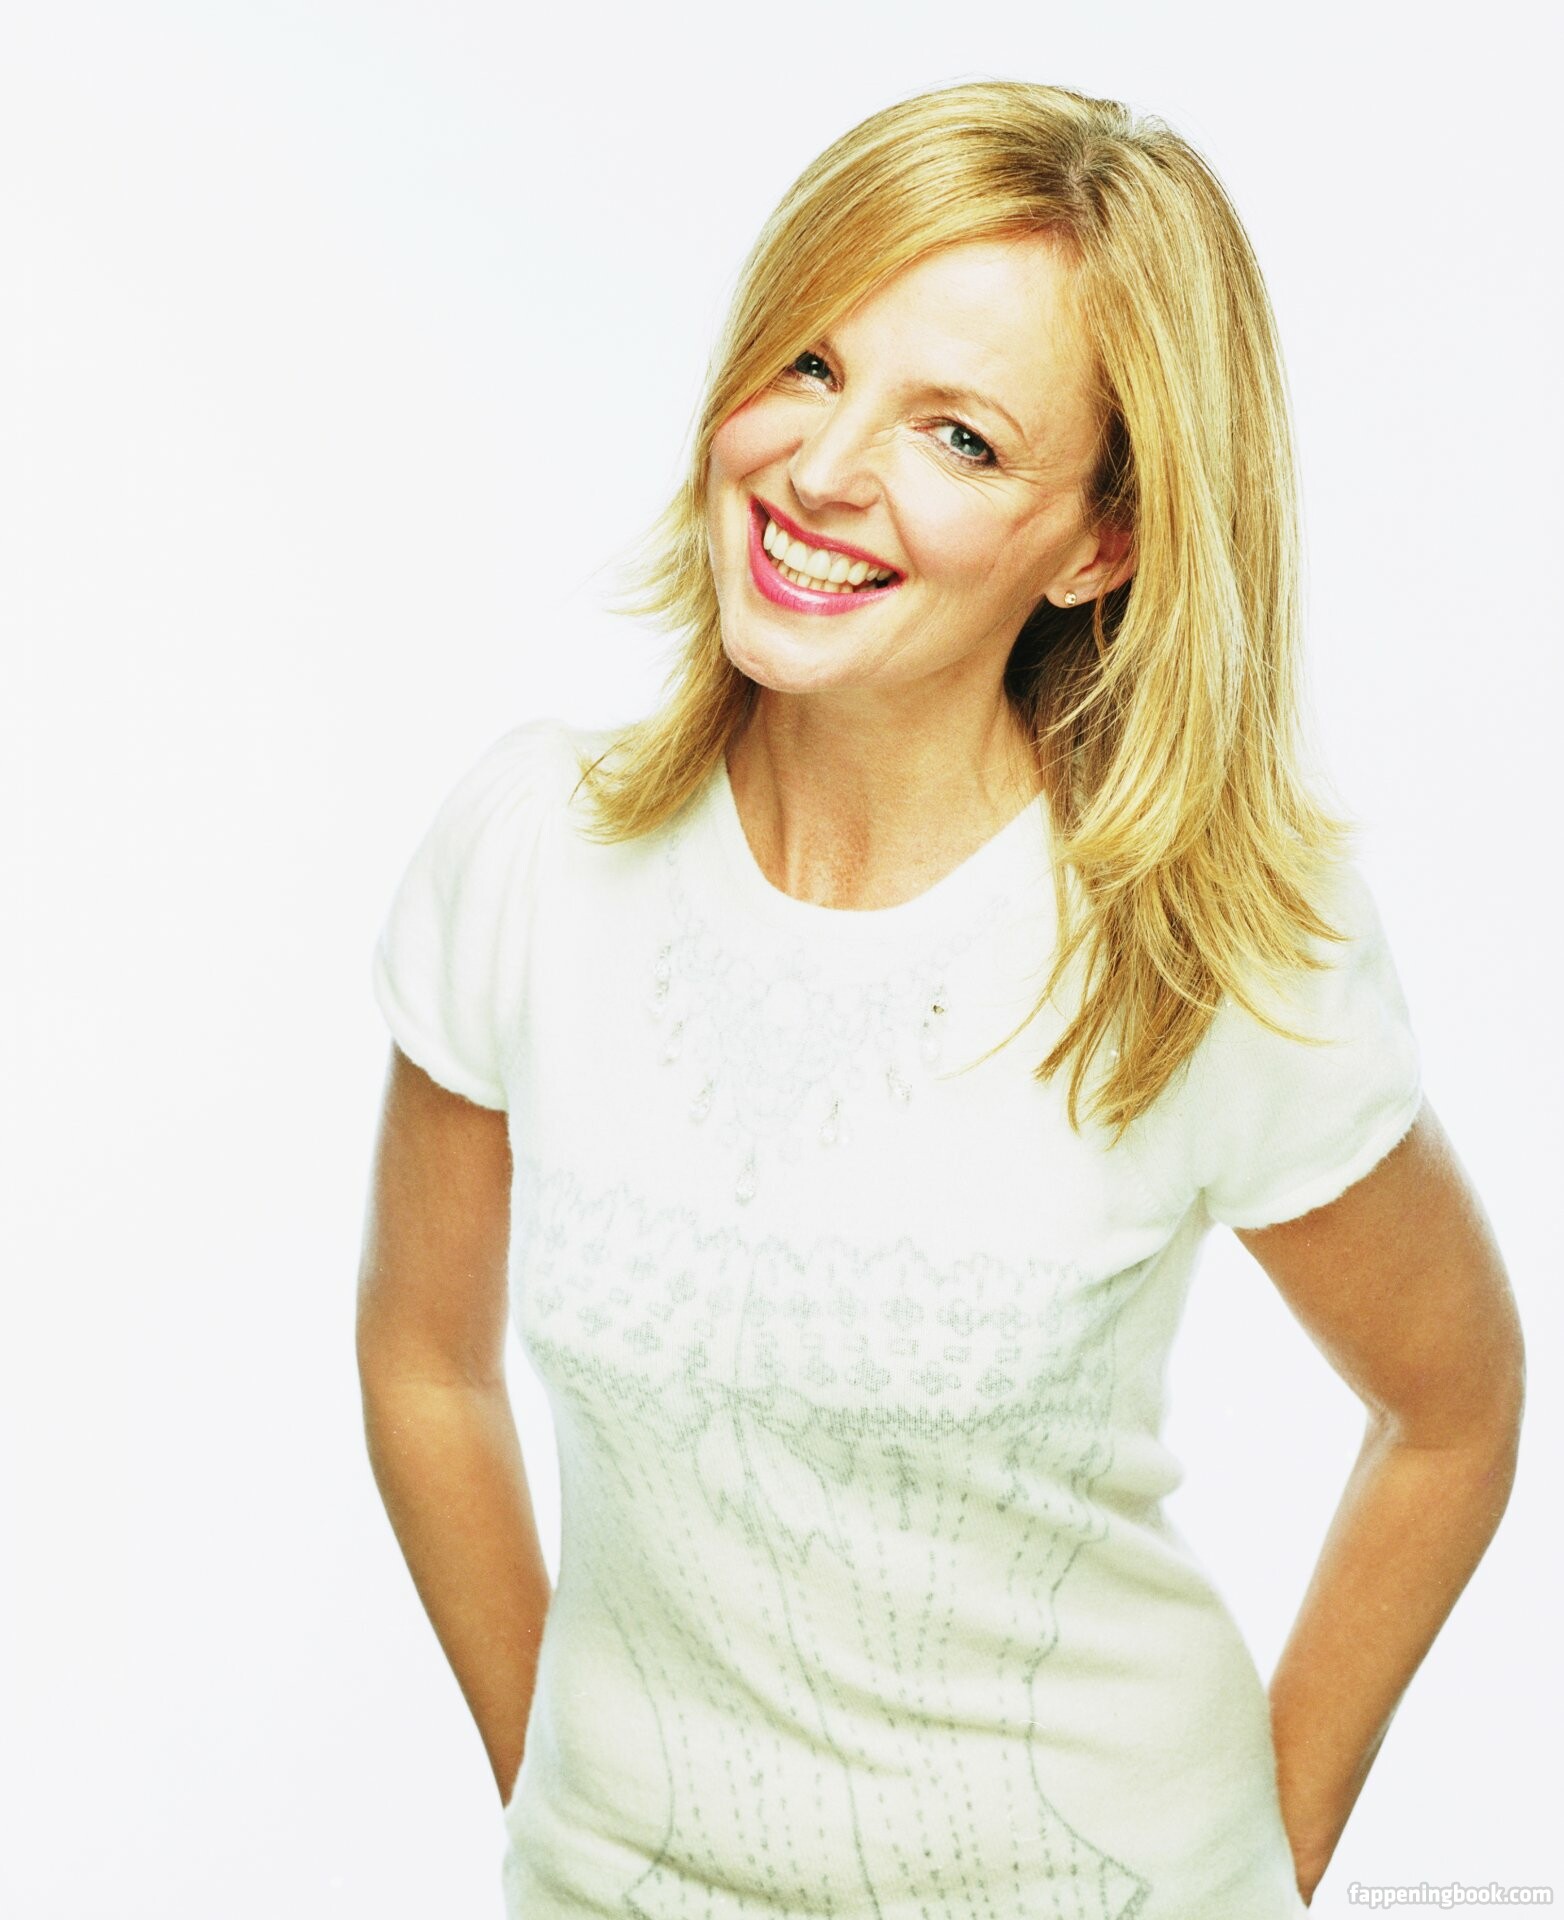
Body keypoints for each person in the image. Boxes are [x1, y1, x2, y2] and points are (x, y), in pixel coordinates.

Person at [356, 79, 1524, 1919]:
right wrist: (565, 1810)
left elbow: (1452, 1411)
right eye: (810, 364)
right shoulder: (531, 854)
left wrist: (1252, 1862)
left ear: (1100, 543)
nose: (824, 471)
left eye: (960, 437)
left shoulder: (1200, 946)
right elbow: (425, 1363)